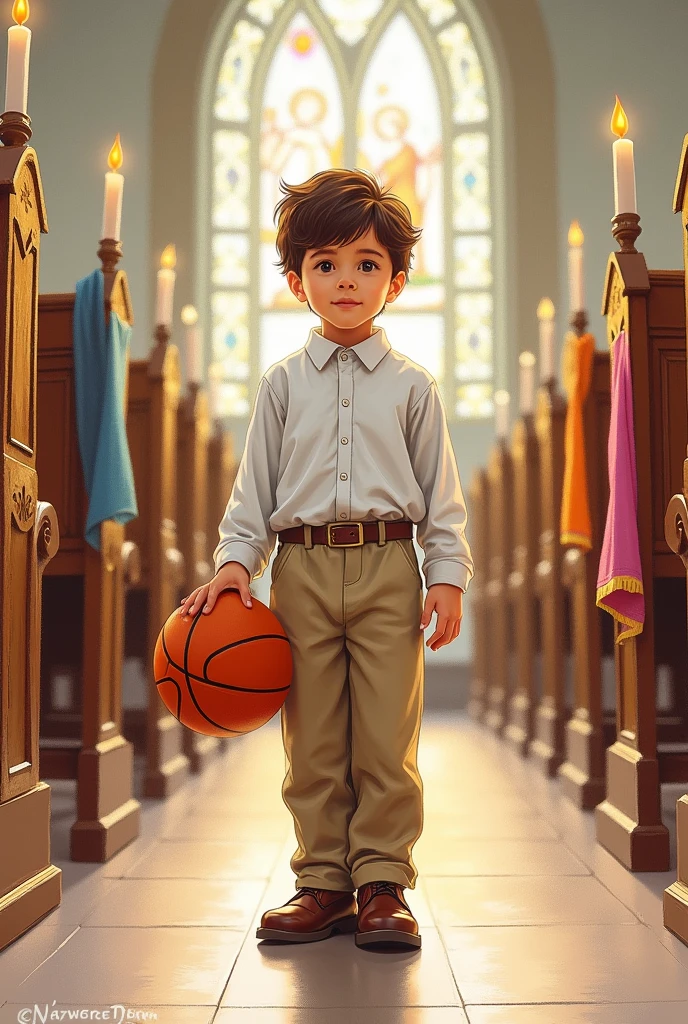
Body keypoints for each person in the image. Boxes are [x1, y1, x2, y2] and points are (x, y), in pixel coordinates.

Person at [179, 167, 474, 951]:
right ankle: (321, 883)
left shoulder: (415, 388)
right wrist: (236, 564)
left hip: (387, 569)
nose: (347, 280)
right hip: (300, 573)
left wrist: (446, 576)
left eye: (367, 264)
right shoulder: (281, 387)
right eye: (326, 264)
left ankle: (383, 883)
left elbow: (441, 496)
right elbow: (253, 493)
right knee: (311, 738)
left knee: (385, 735)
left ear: (398, 280)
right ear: (295, 280)